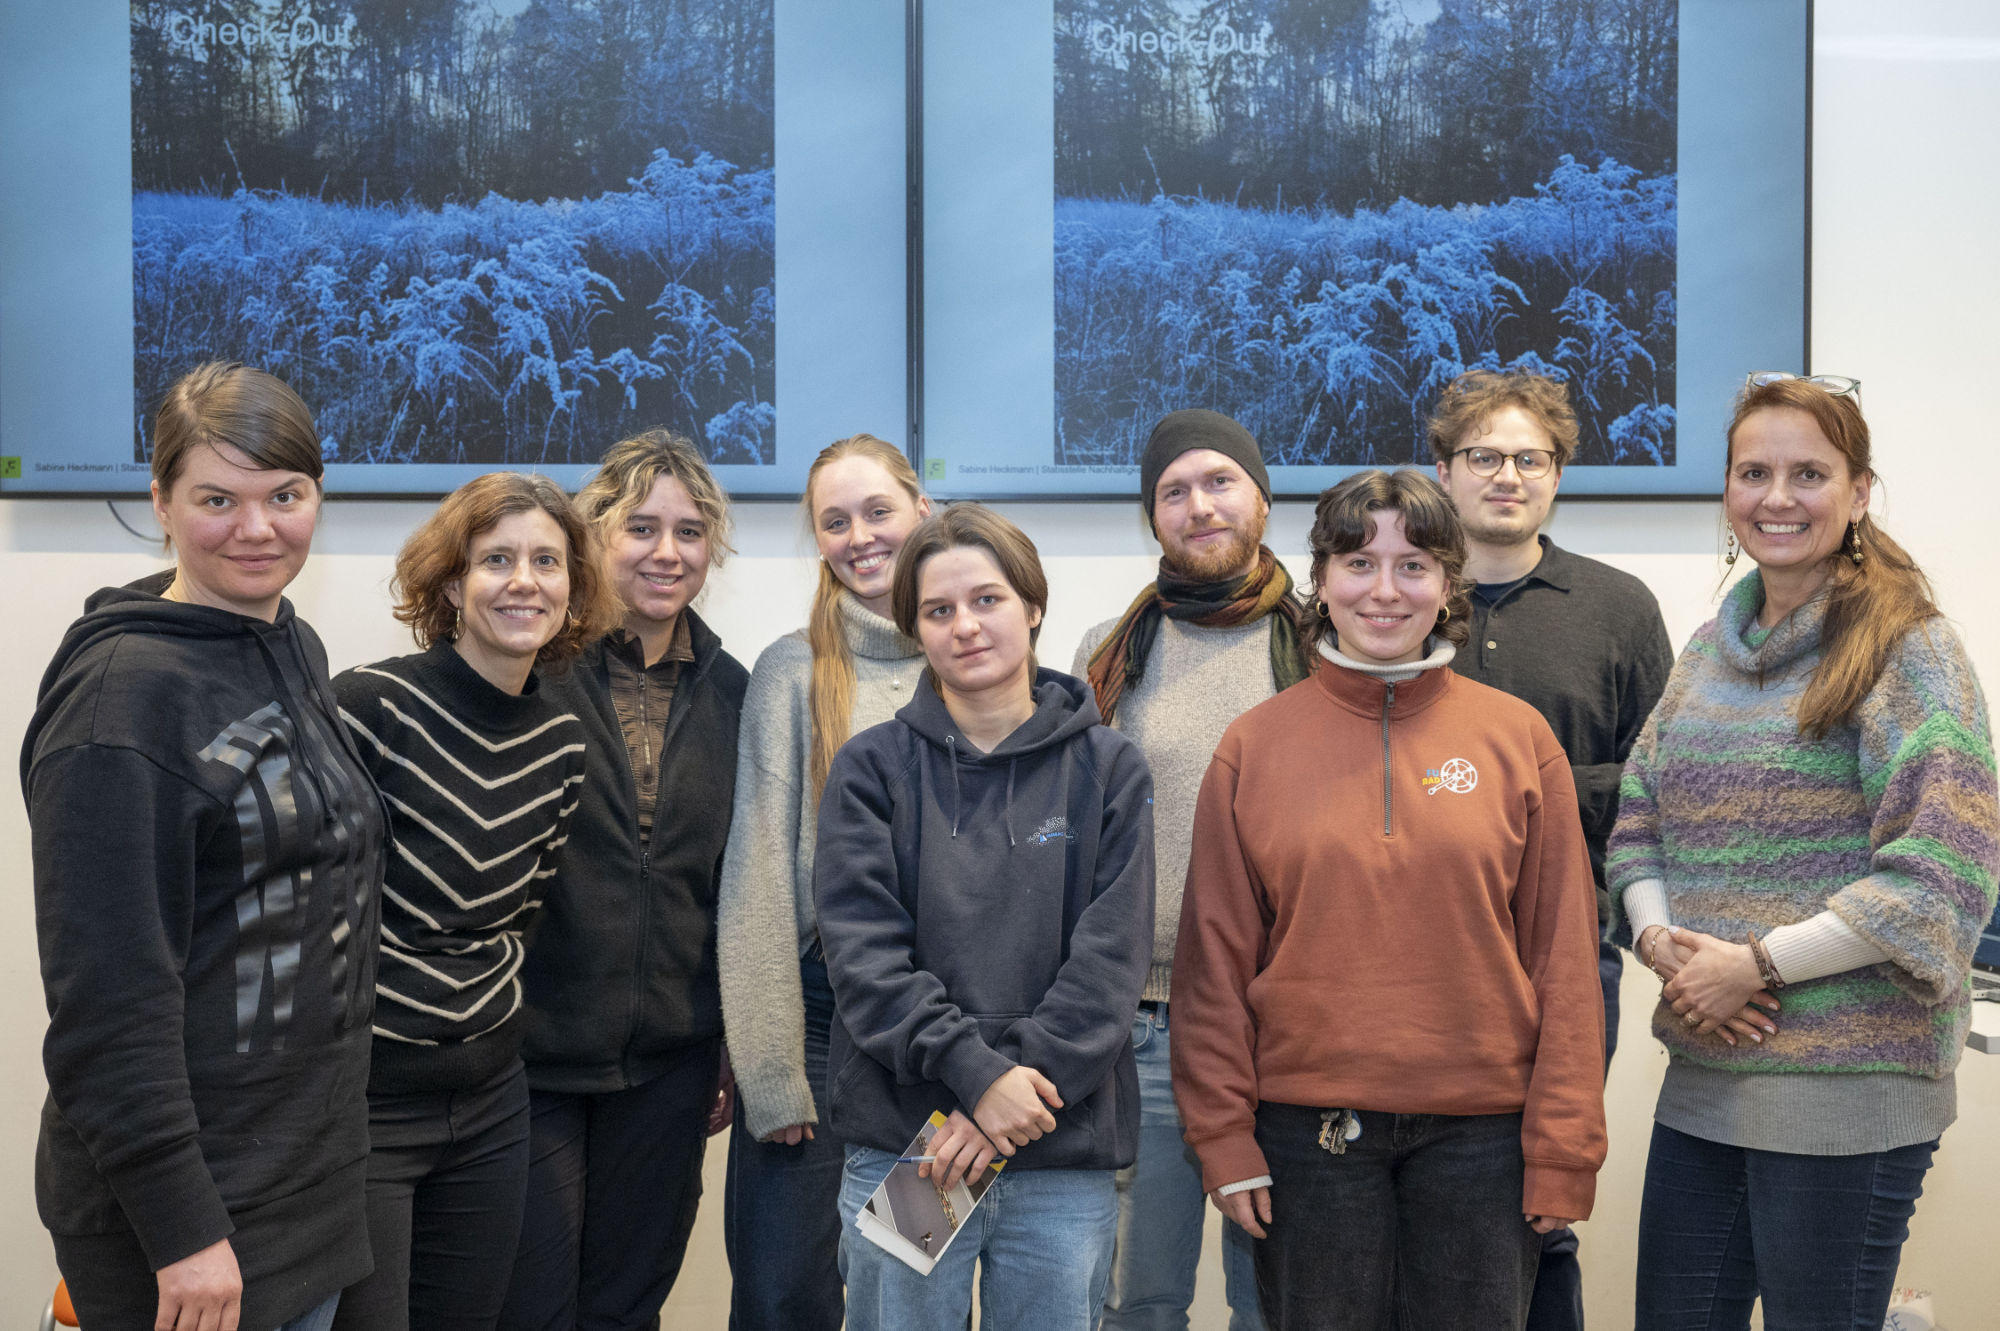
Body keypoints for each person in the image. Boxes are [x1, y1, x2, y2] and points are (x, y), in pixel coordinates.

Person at [1172, 469, 1607, 1331]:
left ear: (1449, 584)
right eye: (1358, 562)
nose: (1383, 589)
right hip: (1308, 1140)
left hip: (1484, 1142)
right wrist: (1223, 1138)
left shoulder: (1518, 739)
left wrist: (1564, 1147)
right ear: (1321, 581)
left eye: (1413, 565)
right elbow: (1212, 965)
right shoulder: (1253, 747)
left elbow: (1563, 955)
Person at [1609, 373, 2000, 1331]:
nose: (1776, 497)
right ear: (1729, 492)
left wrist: (1758, 963)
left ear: (1860, 492)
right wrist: (1664, 945)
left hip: (1850, 1085)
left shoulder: (1909, 648)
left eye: (1808, 473)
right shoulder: (1711, 648)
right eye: (1754, 472)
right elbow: (1637, 815)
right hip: (1707, 1073)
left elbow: (1942, 874)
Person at [23, 362, 386, 1331]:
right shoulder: (121, 703)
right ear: (161, 501)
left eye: (286, 495)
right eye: (217, 498)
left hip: (301, 1181)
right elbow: (108, 1006)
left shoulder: (288, 646)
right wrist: (183, 1233)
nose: (258, 528)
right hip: (190, 1221)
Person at [816, 503, 1155, 1330]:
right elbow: (864, 960)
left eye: (988, 599)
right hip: (915, 1151)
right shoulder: (871, 769)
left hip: (1060, 1153)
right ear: (915, 630)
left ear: (1032, 605)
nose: (965, 626)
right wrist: (978, 1081)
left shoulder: (1110, 769)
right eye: (938, 610)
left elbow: (1110, 965)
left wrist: (1008, 1093)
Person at [330, 474, 620, 1330]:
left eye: (546, 561)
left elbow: (514, 918)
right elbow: (322, 916)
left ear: (572, 591)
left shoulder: (563, 742)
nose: (524, 580)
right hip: (369, 1106)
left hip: (493, 1103)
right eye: (497, 559)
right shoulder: (368, 708)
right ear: (452, 583)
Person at [1427, 369, 1674, 1330]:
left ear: (1559, 474)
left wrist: (1538, 789)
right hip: (1416, 964)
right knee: (1419, 1204)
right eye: (1483, 456)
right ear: (1443, 470)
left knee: (1541, 1203)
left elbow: (1661, 787)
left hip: (1572, 960)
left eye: (1531, 458)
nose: (1507, 476)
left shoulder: (1616, 607)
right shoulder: (1394, 597)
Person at [498, 431, 748, 1331]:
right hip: (530, 1061)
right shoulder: (529, 671)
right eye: (640, 526)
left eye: (689, 531)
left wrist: (730, 1033)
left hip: (671, 1068)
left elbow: (736, 887)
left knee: (624, 1309)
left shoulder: (737, 694)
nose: (667, 552)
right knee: (528, 1309)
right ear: (592, 534)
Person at [1072, 408, 1306, 1331]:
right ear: (1152, 515)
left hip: (1284, 1026)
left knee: (1279, 1295)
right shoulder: (1113, 649)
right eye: (1175, 490)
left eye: (1220, 482)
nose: (1200, 505)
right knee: (1140, 1295)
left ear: (1261, 499)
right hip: (1147, 1024)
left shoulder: (1324, 641)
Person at [716, 433, 932, 1330]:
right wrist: (768, 1074)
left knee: (910, 1285)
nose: (860, 536)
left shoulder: (982, 663)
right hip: (811, 1032)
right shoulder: (791, 672)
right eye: (834, 521)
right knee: (784, 1297)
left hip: (938, 1049)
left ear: (923, 510)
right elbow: (757, 875)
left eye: (878, 511)